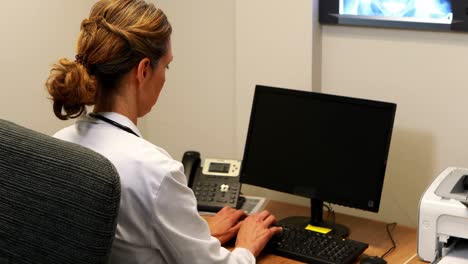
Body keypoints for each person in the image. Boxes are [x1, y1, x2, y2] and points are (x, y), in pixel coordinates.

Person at [45, 0, 282, 263]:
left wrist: (196, 234)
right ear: (144, 70)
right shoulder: (156, 173)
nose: (165, 78)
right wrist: (247, 246)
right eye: (166, 66)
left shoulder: (59, 146)